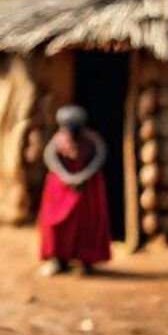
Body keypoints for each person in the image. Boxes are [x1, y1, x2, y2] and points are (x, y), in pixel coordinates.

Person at [38, 105, 112, 277]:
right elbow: (50, 158)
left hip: (87, 188)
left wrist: (83, 176)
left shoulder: (91, 140)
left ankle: (86, 260)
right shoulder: (58, 141)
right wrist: (67, 177)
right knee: (55, 222)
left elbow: (100, 156)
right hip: (61, 187)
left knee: (88, 222)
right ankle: (58, 259)